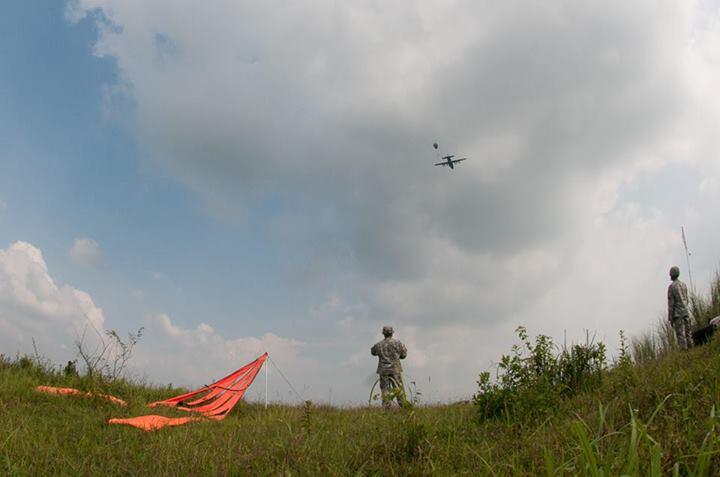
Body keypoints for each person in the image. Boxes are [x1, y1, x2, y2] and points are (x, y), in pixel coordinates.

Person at [370, 326, 407, 408]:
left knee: (385, 390)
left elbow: (373, 352)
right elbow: (404, 355)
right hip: (395, 369)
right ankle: (403, 406)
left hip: (383, 370)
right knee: (399, 389)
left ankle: (387, 408)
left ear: (383, 334)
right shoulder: (398, 343)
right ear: (392, 333)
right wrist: (397, 356)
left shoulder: (379, 344)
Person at [668, 266, 693, 350]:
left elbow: (671, 304)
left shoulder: (671, 287)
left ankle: (685, 352)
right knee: (688, 333)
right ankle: (691, 348)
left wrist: (670, 318)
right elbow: (687, 299)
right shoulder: (684, 285)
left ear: (671, 274)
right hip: (686, 311)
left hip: (677, 314)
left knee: (681, 335)